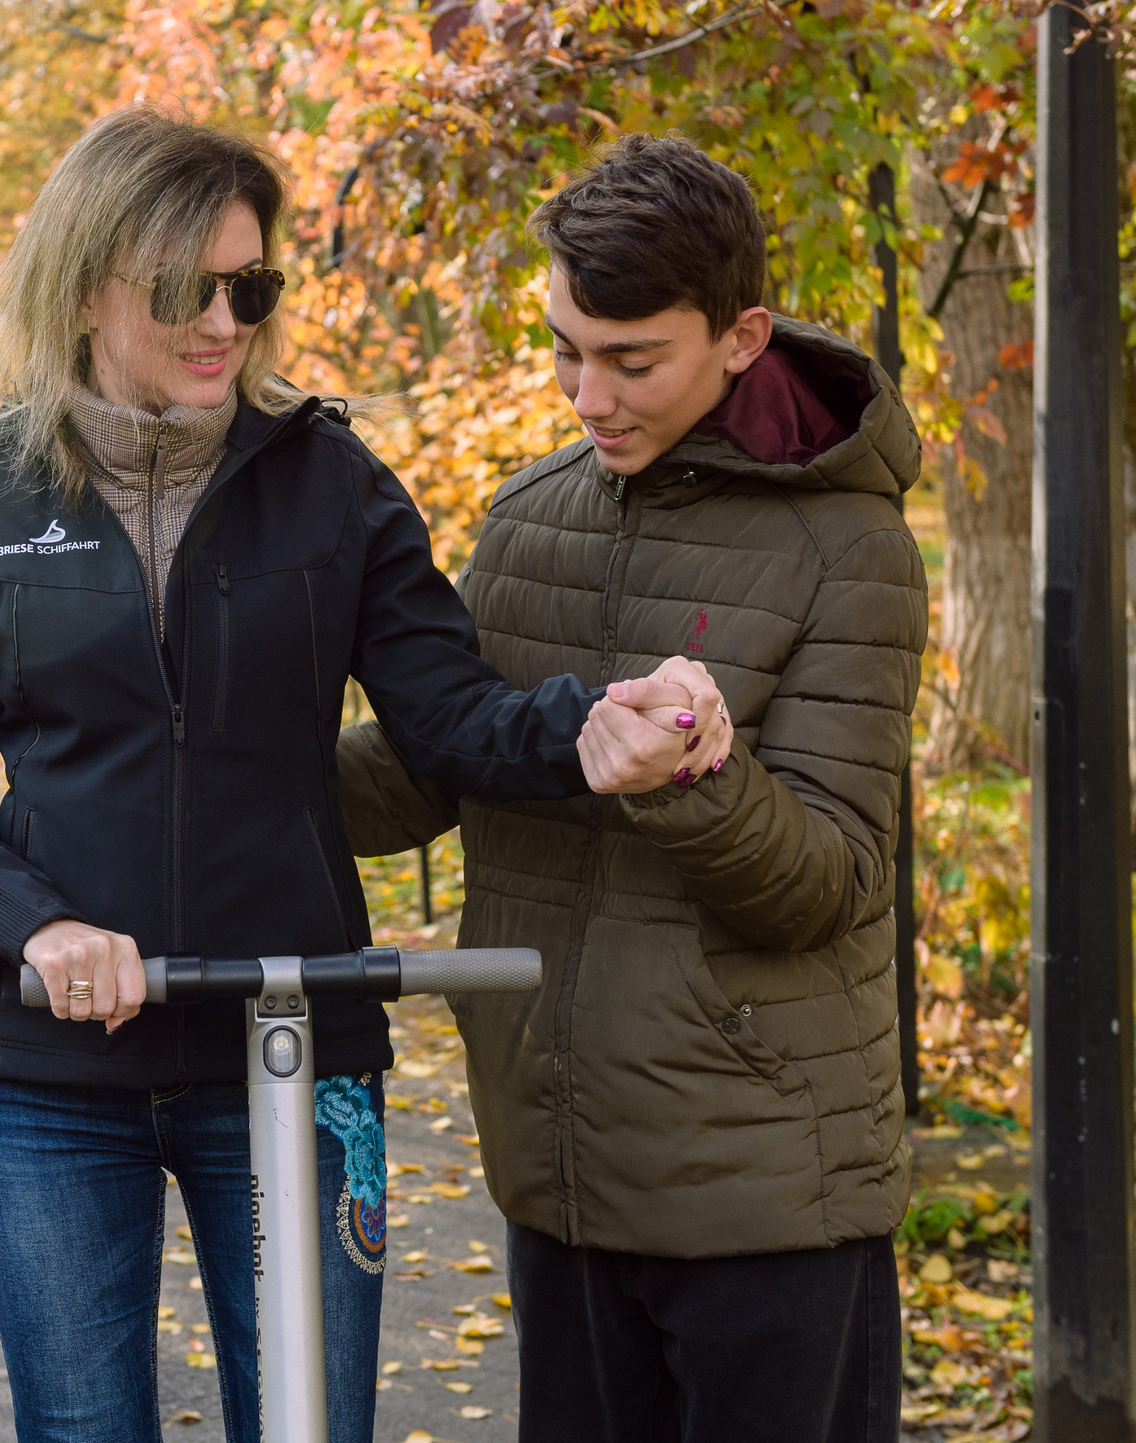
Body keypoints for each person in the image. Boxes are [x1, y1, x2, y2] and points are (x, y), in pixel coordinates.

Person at [0, 108, 717, 1443]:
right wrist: (39, 927)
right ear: (86, 288)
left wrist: (596, 726)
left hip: (296, 1053)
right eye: (182, 291)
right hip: (49, 1078)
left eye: (248, 289)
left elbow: (454, 721)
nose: (224, 324)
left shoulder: (333, 485)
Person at [338, 134, 927, 1443]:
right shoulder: (530, 516)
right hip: (559, 1174)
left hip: (770, 1201)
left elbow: (830, 883)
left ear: (741, 336)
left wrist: (698, 778)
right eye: (565, 350)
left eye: (632, 360)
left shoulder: (851, 548)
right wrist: (210, 765)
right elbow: (438, 765)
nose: (589, 396)